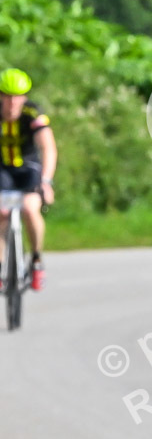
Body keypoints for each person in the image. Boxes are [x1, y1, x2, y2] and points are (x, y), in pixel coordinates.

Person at [0, 68, 55, 291]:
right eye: (7, 96)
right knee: (1, 212)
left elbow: (48, 148)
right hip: (3, 169)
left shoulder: (33, 114)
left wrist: (46, 182)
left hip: (28, 169)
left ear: (25, 97)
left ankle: (36, 259)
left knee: (31, 209)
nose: (12, 102)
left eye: (17, 97)